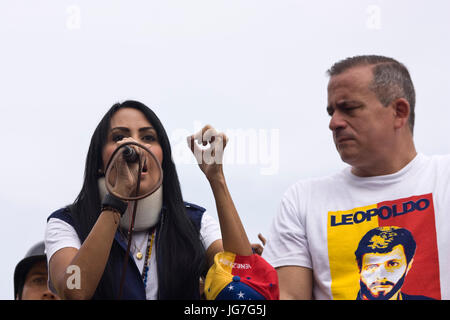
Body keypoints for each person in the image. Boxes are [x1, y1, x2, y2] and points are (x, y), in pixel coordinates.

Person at [262, 55, 449, 300]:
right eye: (331, 111)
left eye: (349, 109)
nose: (334, 123)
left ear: (399, 112)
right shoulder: (302, 199)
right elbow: (290, 295)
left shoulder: (444, 179)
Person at [45, 100, 225, 300]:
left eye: (148, 137)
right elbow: (74, 290)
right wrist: (117, 198)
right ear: (99, 162)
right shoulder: (66, 223)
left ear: (163, 159)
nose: (135, 145)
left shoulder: (195, 222)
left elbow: (244, 280)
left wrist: (217, 179)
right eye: (119, 137)